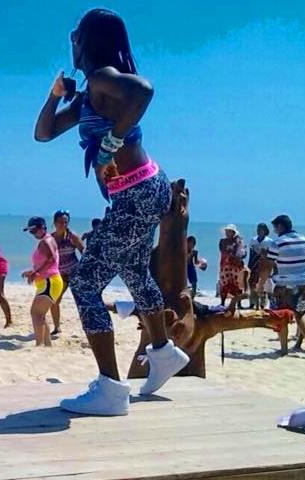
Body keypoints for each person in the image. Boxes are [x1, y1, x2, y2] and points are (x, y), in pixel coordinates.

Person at [34, 8, 188, 414]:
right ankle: (164, 352)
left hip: (136, 192)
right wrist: (54, 95)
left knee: (84, 284)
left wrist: (112, 142)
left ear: (87, 41)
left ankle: (110, 389)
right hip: (143, 190)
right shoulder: (89, 94)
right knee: (136, 272)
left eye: (75, 34)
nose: (70, 40)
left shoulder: (103, 76)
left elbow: (144, 91)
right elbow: (44, 133)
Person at [264, 214, 305, 356]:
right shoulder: (303, 239)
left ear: (281, 226)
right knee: (300, 314)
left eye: (275, 227)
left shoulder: (277, 243)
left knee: (281, 315)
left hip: (284, 284)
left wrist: (262, 282)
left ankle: (283, 349)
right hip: (304, 283)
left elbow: (269, 264)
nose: (274, 231)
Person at [22, 217, 63, 347]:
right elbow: (49, 261)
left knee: (36, 313)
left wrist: (35, 273)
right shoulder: (47, 240)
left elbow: (50, 259)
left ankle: (39, 345)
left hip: (50, 281)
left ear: (42, 227)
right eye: (30, 232)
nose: (33, 234)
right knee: (40, 314)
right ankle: (47, 345)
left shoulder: (47, 240)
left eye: (34, 230)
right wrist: (33, 271)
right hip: (48, 281)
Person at [50, 210, 84, 335]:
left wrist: (85, 271)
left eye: (65, 222)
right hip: (60, 274)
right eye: (60, 222)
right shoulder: (50, 238)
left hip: (75, 273)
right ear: (54, 222)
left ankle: (87, 327)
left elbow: (83, 251)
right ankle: (57, 327)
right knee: (54, 301)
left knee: (82, 301)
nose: (63, 224)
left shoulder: (72, 236)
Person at [218, 224, 246, 311]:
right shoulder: (223, 241)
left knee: (236, 284)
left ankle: (238, 303)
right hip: (225, 265)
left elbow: (242, 253)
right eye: (227, 231)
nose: (227, 233)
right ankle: (222, 302)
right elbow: (223, 250)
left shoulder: (238, 241)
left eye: (229, 231)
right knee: (224, 283)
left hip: (234, 266)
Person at [247, 223, 271, 309]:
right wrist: (249, 265)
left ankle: (262, 303)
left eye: (260, 229)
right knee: (252, 284)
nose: (258, 231)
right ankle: (252, 302)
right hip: (253, 265)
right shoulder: (253, 240)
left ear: (265, 231)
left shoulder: (269, 241)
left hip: (264, 265)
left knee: (263, 284)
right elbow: (250, 253)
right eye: (257, 229)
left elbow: (271, 255)